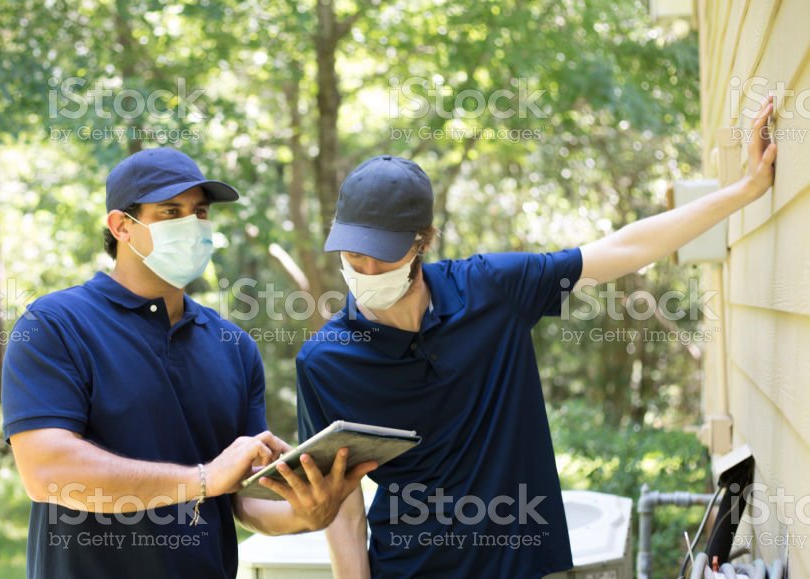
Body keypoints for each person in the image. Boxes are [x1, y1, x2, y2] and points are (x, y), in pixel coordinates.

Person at [298, 98, 778, 578]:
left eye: (382, 255)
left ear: (422, 242)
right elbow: (341, 505)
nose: (365, 270)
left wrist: (747, 189)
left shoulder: (492, 290)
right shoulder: (324, 363)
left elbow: (623, 249)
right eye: (353, 255)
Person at [2, 147, 376, 578]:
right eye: (170, 211)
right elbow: (48, 471)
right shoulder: (55, 326)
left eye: (199, 212)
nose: (192, 225)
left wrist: (308, 515)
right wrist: (202, 479)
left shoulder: (232, 346)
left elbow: (241, 497)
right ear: (122, 226)